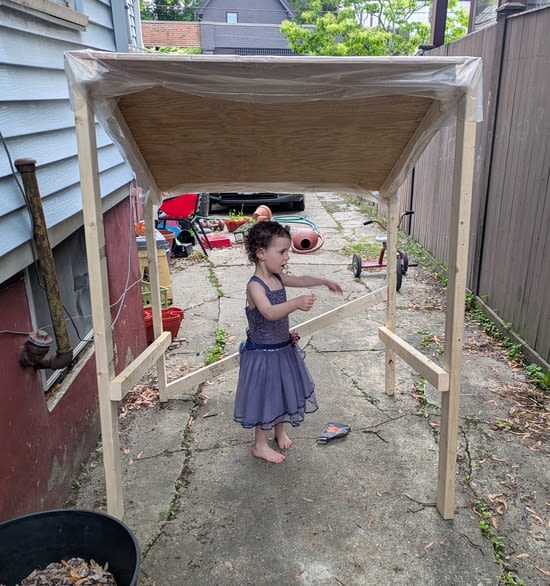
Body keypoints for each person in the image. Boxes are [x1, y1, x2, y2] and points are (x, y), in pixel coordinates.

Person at [234, 220, 343, 463]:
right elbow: (269, 312)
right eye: (282, 252)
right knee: (265, 396)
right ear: (261, 253)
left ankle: (279, 431)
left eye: (287, 252)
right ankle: (260, 445)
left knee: (282, 391)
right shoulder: (255, 286)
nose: (287, 257)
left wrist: (323, 281)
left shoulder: (278, 277)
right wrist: (294, 303)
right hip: (263, 354)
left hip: (282, 349)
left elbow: (301, 280)